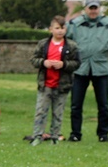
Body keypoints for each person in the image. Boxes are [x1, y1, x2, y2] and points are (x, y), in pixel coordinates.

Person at [66, 0, 108, 142]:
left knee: (103, 104)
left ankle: (103, 134)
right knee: (76, 104)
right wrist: (71, 53)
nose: (93, 11)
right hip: (80, 67)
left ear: (99, 9)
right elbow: (64, 39)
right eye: (90, 8)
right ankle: (75, 133)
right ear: (85, 9)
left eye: (95, 8)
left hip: (100, 67)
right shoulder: (75, 24)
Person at [29, 16, 80, 146]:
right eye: (57, 28)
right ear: (51, 29)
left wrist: (64, 64)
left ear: (66, 29)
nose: (60, 31)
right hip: (45, 84)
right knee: (41, 111)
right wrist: (43, 62)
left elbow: (77, 63)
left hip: (62, 85)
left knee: (58, 112)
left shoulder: (72, 46)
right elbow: (33, 59)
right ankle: (37, 136)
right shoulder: (43, 44)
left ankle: (55, 136)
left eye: (62, 28)